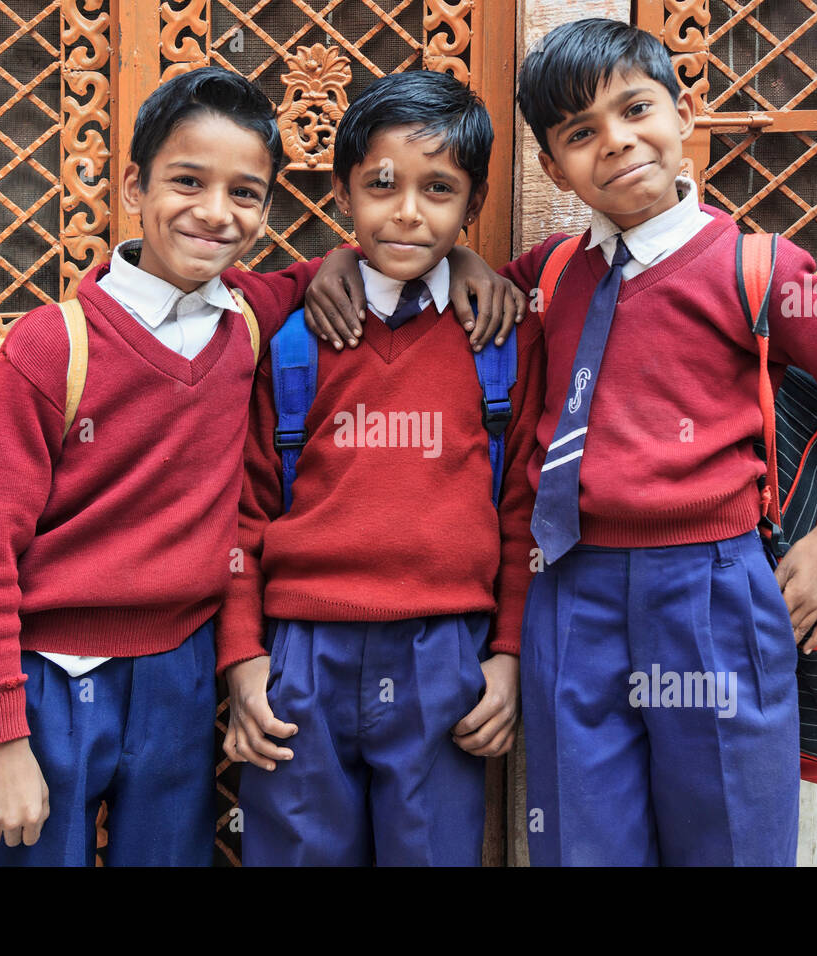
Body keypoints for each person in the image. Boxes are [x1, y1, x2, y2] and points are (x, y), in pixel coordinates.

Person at [0, 66, 518, 866]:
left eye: (245, 194)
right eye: (187, 181)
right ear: (132, 186)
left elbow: (372, 261)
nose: (215, 213)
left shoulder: (248, 319)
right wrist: (1, 735)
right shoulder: (54, 346)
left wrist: (463, 265)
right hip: (53, 675)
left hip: (183, 671)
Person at [500, 18, 817, 865]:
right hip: (569, 592)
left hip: (713, 593)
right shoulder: (550, 273)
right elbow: (435, 280)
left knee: (729, 838)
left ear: (683, 111)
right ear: (553, 167)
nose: (616, 143)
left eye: (635, 109)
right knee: (579, 843)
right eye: (581, 134)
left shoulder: (755, 266)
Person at [218, 70, 546, 866]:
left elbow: (523, 511)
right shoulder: (296, 337)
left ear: (472, 211)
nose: (407, 212)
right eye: (381, 185)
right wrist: (243, 658)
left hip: (445, 658)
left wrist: (506, 655)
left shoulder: (500, 340)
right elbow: (243, 511)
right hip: (303, 655)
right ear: (342, 194)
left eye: (439, 190)